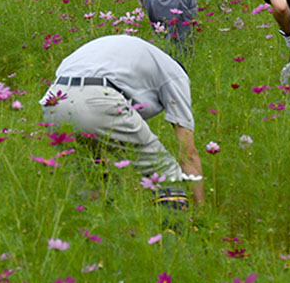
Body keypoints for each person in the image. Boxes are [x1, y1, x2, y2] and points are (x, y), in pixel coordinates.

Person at [39, 34, 204, 205]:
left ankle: (91, 218)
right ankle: (178, 221)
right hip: (97, 97)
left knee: (89, 180)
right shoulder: (176, 75)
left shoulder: (136, 56)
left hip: (54, 100)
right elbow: (188, 153)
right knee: (165, 172)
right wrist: (201, 209)